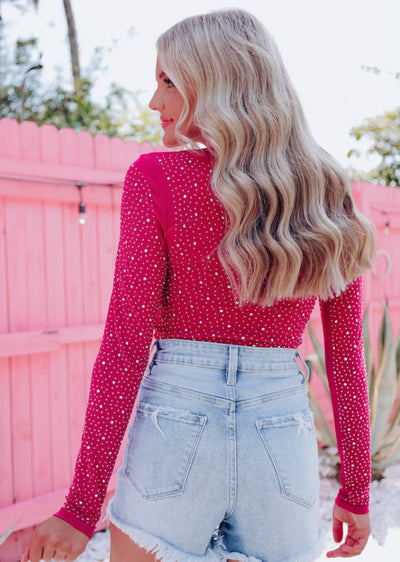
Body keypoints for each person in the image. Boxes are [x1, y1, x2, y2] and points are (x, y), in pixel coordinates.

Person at [22, 9, 375, 562]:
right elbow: (347, 358)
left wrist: (80, 507)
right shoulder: (328, 190)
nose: (153, 101)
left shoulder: (157, 178)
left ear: (213, 79)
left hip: (175, 428)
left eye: (167, 80)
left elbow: (125, 344)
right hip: (281, 432)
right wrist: (356, 490)